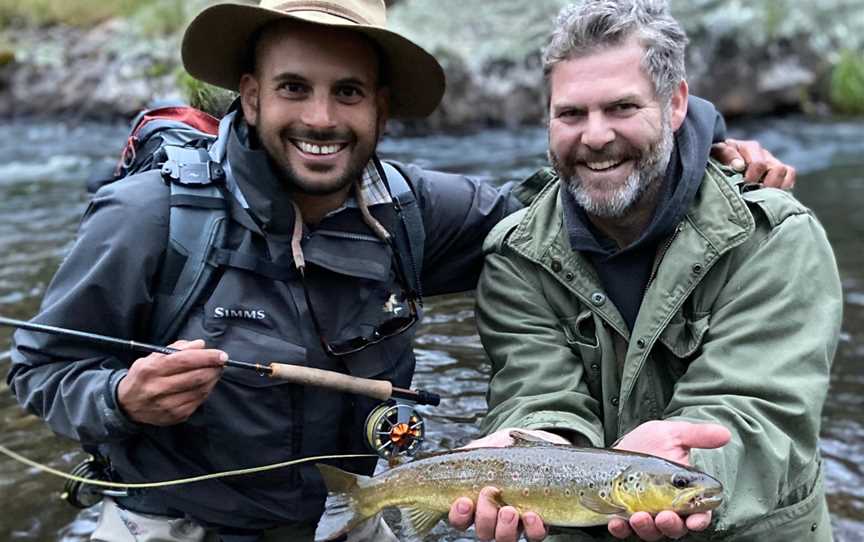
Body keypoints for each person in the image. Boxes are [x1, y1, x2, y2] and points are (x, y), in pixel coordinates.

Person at [7, 1, 793, 541]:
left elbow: (573, 194)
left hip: (348, 511)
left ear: (381, 107)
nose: (320, 118)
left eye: (347, 92)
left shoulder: (420, 211)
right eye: (293, 89)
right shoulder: (149, 215)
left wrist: (702, 157)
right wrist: (119, 398)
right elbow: (39, 370)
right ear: (248, 96)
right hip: (174, 522)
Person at [448, 1, 841, 541]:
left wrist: (678, 476)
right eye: (570, 114)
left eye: (621, 108)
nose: (594, 136)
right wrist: (536, 444)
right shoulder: (517, 256)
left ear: (675, 103)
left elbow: (758, 415)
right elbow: (536, 395)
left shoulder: (774, 238)